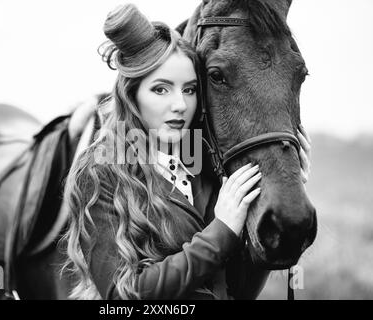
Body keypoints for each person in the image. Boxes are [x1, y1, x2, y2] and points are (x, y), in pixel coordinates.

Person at [62, 3, 311, 300]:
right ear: (132, 95)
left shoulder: (202, 169)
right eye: (161, 89)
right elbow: (121, 295)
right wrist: (220, 233)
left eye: (190, 89)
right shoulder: (99, 172)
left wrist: (269, 226)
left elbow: (233, 292)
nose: (180, 104)